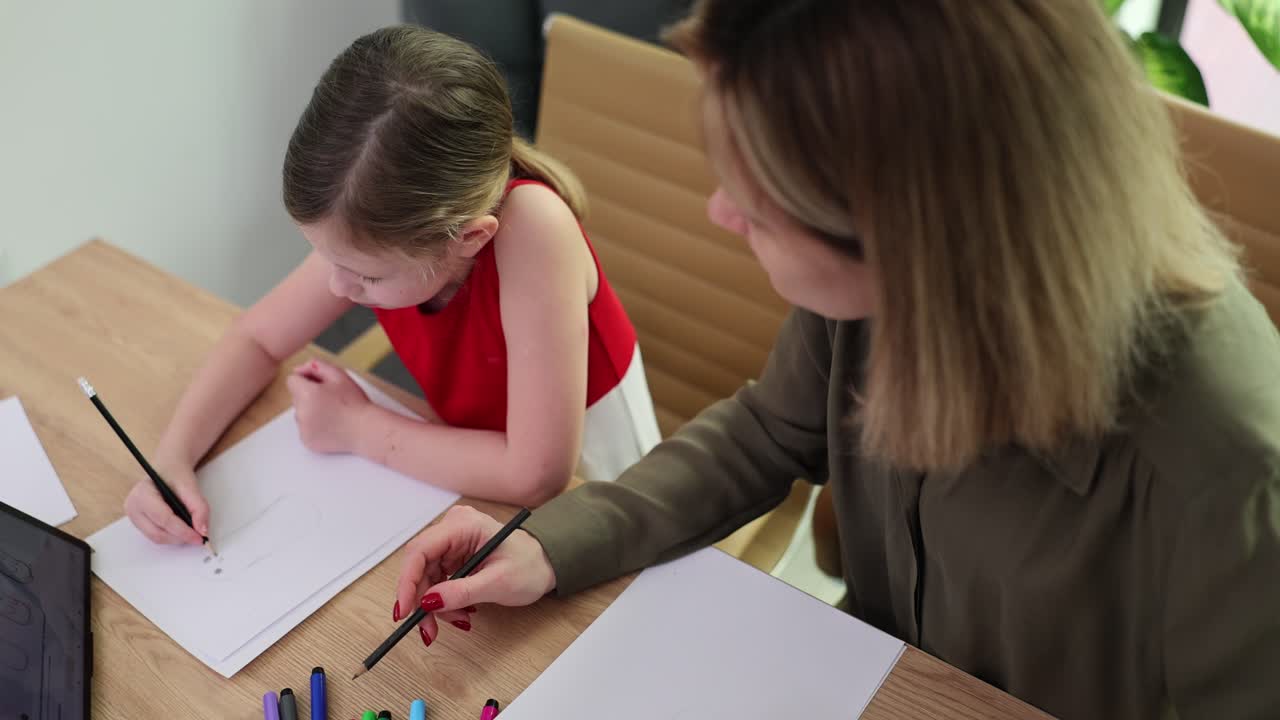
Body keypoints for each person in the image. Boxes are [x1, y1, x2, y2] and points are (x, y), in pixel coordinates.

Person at [388, 1, 1280, 717]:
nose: (719, 214)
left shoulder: (1228, 463)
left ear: (917, 241)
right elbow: (766, 434)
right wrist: (548, 548)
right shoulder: (882, 291)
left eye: (761, 207)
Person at [123, 26, 660, 547]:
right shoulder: (382, 231)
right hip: (471, 465)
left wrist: (358, 429)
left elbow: (537, 474)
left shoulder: (535, 232)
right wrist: (173, 457)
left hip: (600, 494)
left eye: (366, 276)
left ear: (469, 238)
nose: (337, 285)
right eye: (325, 257)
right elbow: (258, 338)